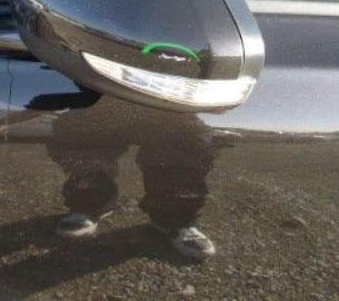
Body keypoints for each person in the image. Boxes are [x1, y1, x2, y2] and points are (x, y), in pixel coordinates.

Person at [45, 95, 220, 260]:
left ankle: (175, 217)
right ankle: (89, 201)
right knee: (78, 123)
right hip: (105, 99)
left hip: (163, 103)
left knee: (185, 131)